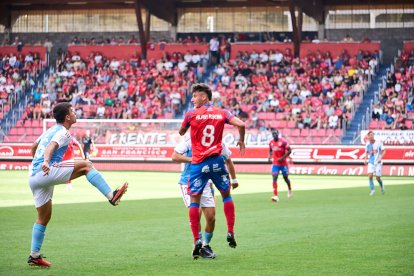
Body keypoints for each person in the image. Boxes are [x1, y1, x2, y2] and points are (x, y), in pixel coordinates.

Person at [27, 102, 128, 267]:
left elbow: (34, 146)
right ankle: (112, 196)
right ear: (67, 116)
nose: (75, 113)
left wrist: (38, 164)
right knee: (87, 165)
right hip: (46, 170)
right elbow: (51, 146)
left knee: (43, 217)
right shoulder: (63, 132)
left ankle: (34, 256)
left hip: (33, 177)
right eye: (72, 111)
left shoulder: (49, 130)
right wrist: (45, 162)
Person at [178, 83, 245, 259]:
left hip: (199, 164)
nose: (192, 100)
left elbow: (181, 131)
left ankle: (198, 240)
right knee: (227, 195)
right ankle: (230, 231)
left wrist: (189, 126)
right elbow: (241, 124)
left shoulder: (191, 114)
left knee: (197, 204)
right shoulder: (222, 113)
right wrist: (242, 141)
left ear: (204, 97)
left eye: (195, 96)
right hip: (216, 161)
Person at [172, 137, 238, 259]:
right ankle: (197, 243)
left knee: (211, 217)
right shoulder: (190, 141)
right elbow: (175, 156)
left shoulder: (217, 140)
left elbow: (228, 160)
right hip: (188, 181)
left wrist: (234, 179)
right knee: (196, 212)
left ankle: (205, 245)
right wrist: (193, 159)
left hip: (206, 182)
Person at [268, 129, 293, 202]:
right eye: (273, 134)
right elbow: (270, 150)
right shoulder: (271, 143)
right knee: (274, 177)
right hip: (275, 163)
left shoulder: (283, 142)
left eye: (276, 134)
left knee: (285, 178)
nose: (274, 135)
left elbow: (290, 151)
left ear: (278, 134)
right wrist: (269, 156)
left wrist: (282, 158)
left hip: (283, 164)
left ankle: (289, 189)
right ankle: (275, 195)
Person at [364, 131, 385, 196]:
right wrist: (365, 159)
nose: (371, 136)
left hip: (377, 162)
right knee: (370, 176)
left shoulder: (378, 143)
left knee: (377, 178)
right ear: (368, 136)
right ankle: (373, 190)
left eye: (372, 135)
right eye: (370, 135)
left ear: (374, 136)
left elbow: (384, 151)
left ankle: (382, 187)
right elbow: (367, 152)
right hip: (371, 162)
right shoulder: (367, 144)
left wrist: (380, 158)